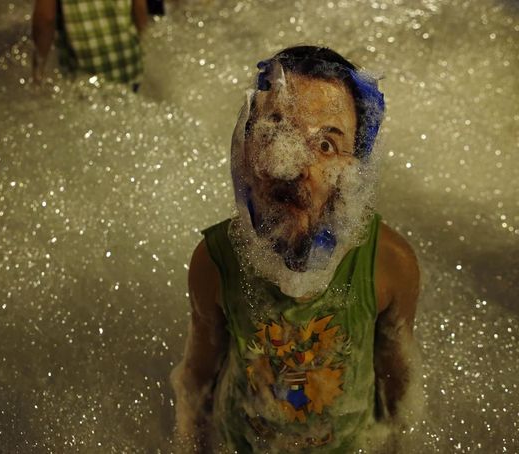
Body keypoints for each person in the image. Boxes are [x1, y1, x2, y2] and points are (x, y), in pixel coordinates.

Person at [172, 46, 421, 452]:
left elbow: (398, 388)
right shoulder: (214, 262)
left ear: (355, 169)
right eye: (278, 132)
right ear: (246, 146)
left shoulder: (389, 265)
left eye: (326, 145)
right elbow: (198, 379)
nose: (297, 166)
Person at [31, 0, 148, 87]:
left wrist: (38, 67)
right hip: (130, 63)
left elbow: (46, 18)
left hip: (87, 71)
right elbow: (139, 7)